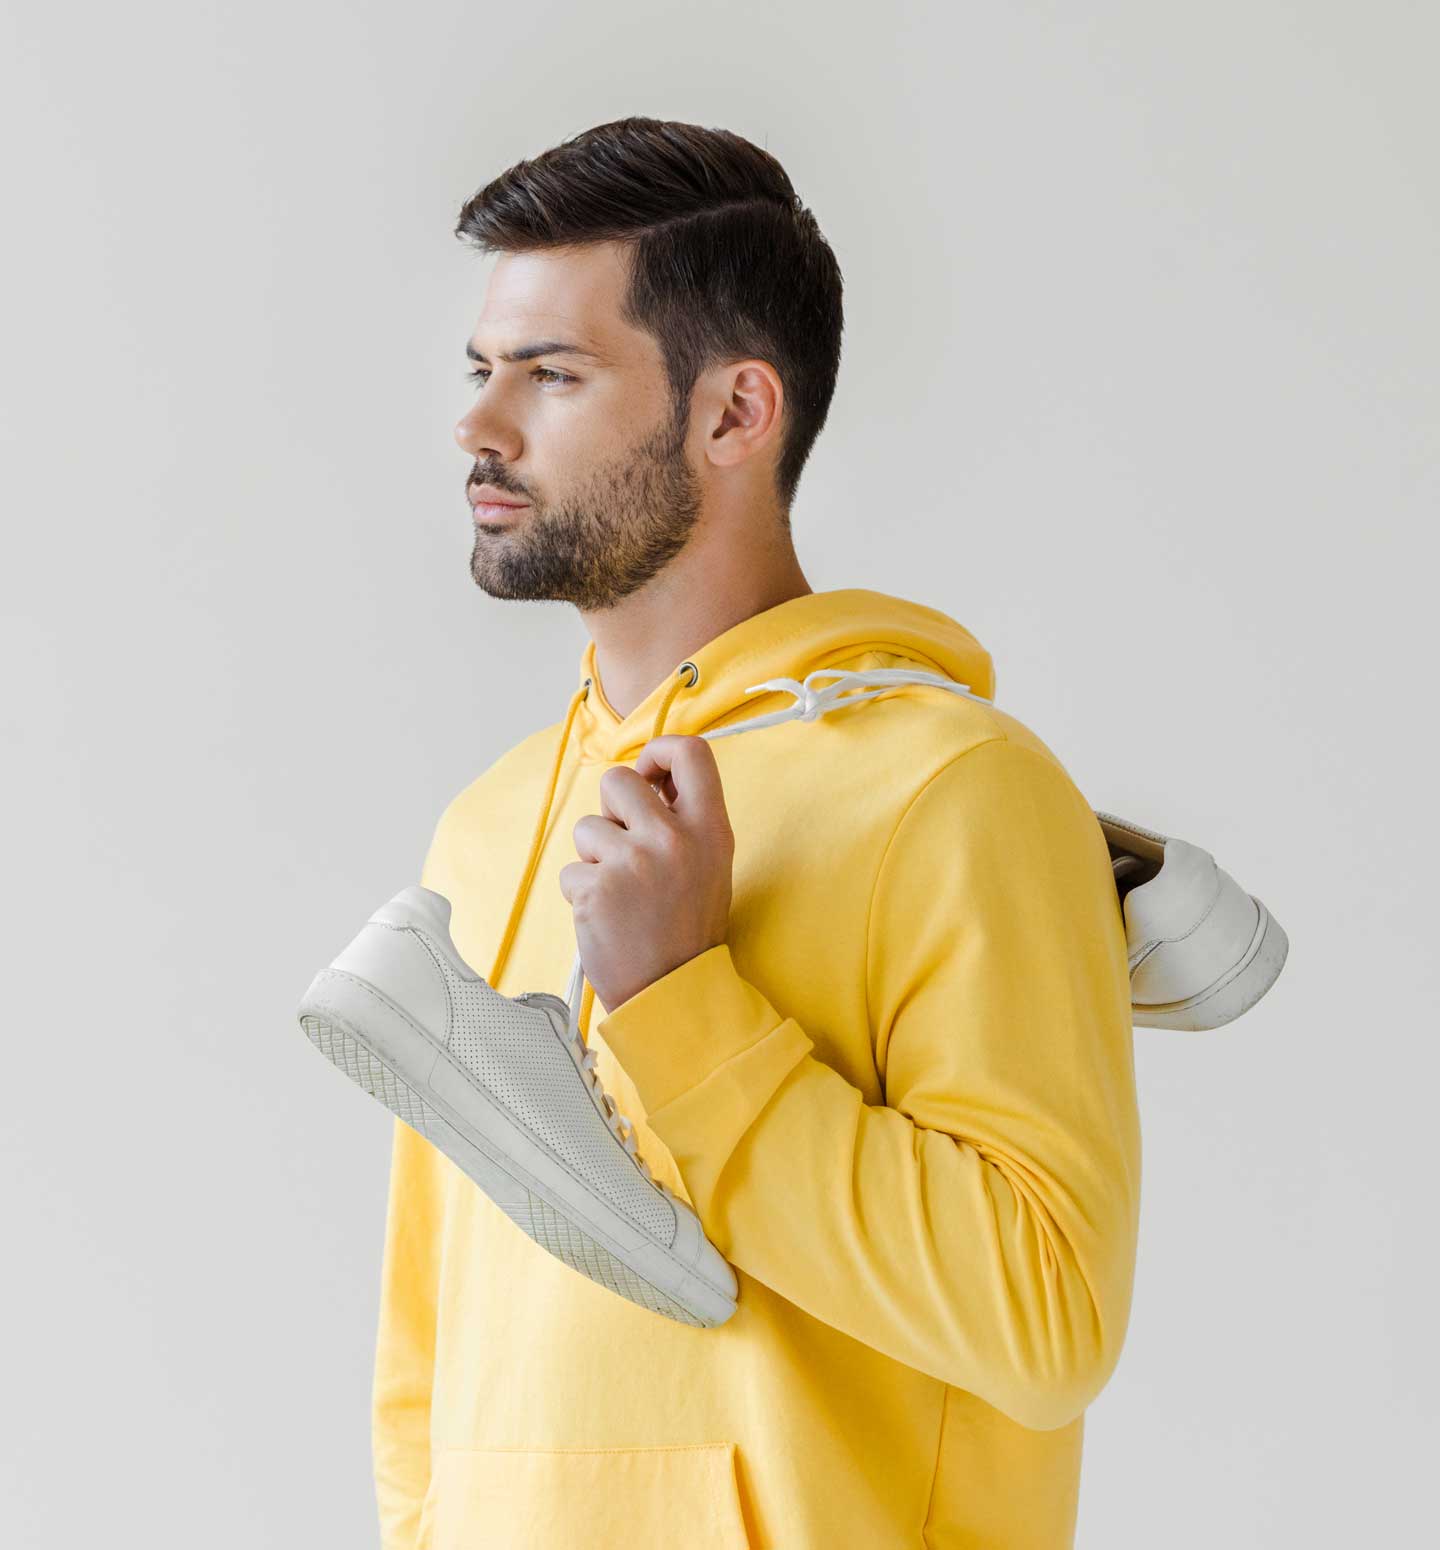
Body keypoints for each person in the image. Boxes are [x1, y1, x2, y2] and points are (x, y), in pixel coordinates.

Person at [373, 115, 1143, 1550]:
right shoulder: (485, 828)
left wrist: (685, 1006)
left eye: (552, 374)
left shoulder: (955, 789)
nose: (481, 426)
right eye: (482, 371)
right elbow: (432, 1348)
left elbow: (1050, 1322)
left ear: (736, 413)